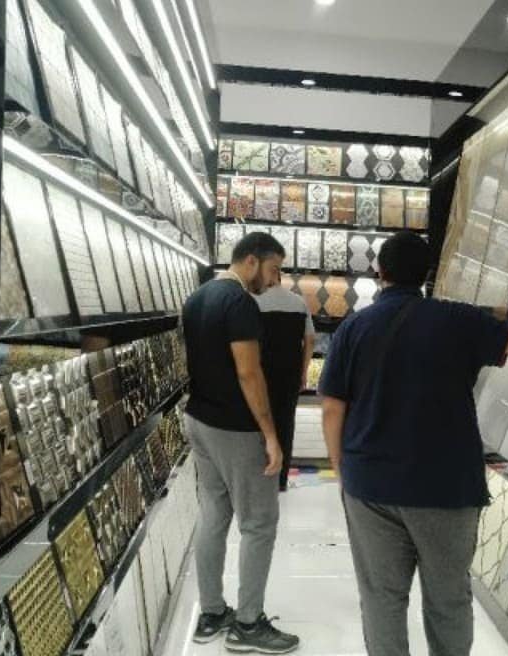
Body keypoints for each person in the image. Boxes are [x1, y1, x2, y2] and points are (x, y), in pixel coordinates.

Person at [318, 231, 508, 656]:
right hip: (444, 487)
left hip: (369, 484)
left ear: (380, 272)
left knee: (381, 597)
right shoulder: (458, 320)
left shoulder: (354, 327)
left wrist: (342, 469)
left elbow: (332, 408)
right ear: (429, 274)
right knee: (448, 598)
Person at [182, 232, 300, 654]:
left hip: (199, 420)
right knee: (258, 523)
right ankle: (248, 624)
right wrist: (271, 435)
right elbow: (250, 375)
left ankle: (212, 612)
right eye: (273, 270)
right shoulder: (240, 304)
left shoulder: (197, 298)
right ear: (250, 261)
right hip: (236, 429)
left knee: (213, 514)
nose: (274, 280)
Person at [253, 278, 316, 491]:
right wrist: (303, 370)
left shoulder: (254, 301)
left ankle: (261, 476)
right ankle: (280, 481)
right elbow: (310, 340)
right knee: (286, 424)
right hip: (289, 374)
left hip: (260, 373)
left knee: (261, 422)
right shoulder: (299, 302)